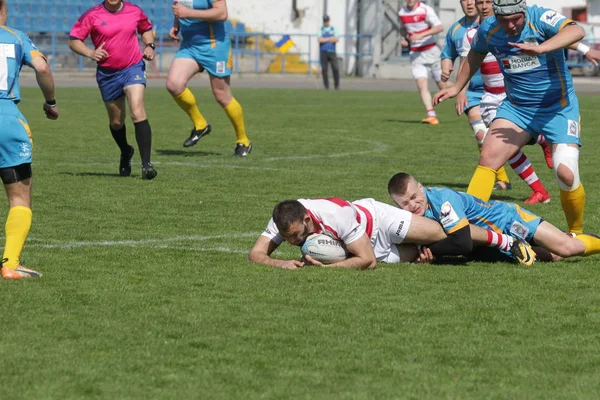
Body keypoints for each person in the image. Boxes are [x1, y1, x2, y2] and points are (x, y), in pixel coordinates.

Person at [433, 0, 596, 234]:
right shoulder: (488, 28)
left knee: (566, 174)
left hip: (558, 107)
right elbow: (475, 55)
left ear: (523, 11)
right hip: (517, 109)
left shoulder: (538, 18)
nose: (510, 25)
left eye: (515, 19)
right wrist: (457, 86)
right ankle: (466, 230)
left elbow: (576, 30)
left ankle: (576, 234)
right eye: (504, 20)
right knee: (488, 157)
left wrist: (542, 47)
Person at [247, 197, 532, 269]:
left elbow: (367, 260)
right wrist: (278, 262)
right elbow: (256, 254)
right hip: (369, 245)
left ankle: (507, 239)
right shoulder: (283, 219)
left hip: (380, 222)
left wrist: (323, 270)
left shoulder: (335, 215)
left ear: (307, 219)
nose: (294, 242)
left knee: (443, 233)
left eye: (297, 235)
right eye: (289, 239)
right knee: (437, 254)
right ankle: (508, 255)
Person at [388, 173, 600, 265]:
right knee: (550, 258)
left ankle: (582, 239)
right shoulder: (410, 216)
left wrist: (430, 252)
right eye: (404, 204)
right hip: (490, 243)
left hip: (509, 220)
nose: (412, 206)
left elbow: (461, 242)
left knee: (568, 249)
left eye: (414, 197)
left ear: (421, 187)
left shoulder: (444, 200)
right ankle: (574, 236)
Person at [459, 0, 552, 204]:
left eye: (488, 2)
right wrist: (459, 90)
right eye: (479, 2)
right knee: (503, 148)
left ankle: (543, 141)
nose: (483, 6)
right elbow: (467, 63)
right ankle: (539, 190)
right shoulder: (472, 35)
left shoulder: (513, 30)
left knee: (507, 143)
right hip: (490, 98)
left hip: (512, 95)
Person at [0, 0, 59, 279]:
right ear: (4, 9)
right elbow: (43, 69)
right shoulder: (16, 37)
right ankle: (10, 264)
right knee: (19, 196)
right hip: (6, 121)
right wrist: (51, 102)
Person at [69, 0, 157, 179]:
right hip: (107, 74)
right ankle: (126, 151)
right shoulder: (92, 15)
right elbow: (74, 40)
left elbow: (146, 29)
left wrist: (149, 45)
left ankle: (146, 166)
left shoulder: (134, 11)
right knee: (116, 122)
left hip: (133, 68)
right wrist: (90, 53)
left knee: (138, 111)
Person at [168, 0, 252, 157]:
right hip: (190, 46)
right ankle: (200, 124)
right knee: (174, 84)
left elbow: (221, 13)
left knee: (222, 95)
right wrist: (176, 24)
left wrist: (188, 13)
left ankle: (243, 140)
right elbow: (179, 5)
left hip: (214, 46)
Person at [398, 0, 445, 124]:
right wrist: (404, 38)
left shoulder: (425, 9)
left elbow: (439, 27)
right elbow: (403, 29)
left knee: (443, 87)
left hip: (432, 52)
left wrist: (421, 35)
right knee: (421, 85)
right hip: (416, 55)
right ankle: (431, 115)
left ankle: (462, 90)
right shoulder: (402, 12)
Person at [318, 15, 340, 90]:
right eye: (324, 21)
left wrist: (325, 39)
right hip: (323, 52)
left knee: (335, 68)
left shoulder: (333, 29)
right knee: (324, 69)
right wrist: (330, 39)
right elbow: (320, 40)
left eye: (327, 21)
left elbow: (336, 39)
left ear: (329, 21)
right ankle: (326, 86)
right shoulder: (321, 30)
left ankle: (336, 85)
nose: (326, 22)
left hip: (332, 51)